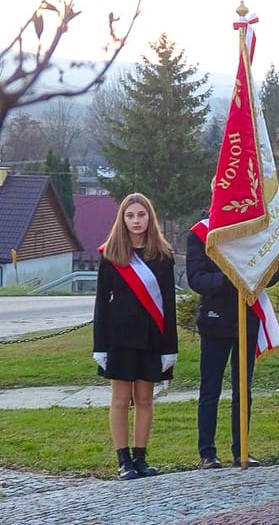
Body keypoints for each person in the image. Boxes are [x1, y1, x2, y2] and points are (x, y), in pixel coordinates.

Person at [92, 193, 177, 480]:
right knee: (120, 399)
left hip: (152, 338)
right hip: (119, 339)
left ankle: (141, 458)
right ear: (123, 220)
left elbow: (169, 305)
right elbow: (101, 304)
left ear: (150, 217)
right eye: (130, 216)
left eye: (141, 215)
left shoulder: (163, 256)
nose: (136, 221)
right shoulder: (111, 254)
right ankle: (123, 460)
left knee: (145, 399)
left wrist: (170, 348)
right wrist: (100, 346)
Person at [186, 212, 279, 469]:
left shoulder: (252, 227)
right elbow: (196, 278)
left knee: (243, 389)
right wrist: (229, 278)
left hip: (246, 319)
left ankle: (242, 450)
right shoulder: (200, 232)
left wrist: (260, 269)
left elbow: (274, 274)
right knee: (210, 389)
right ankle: (207, 452)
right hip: (215, 320)